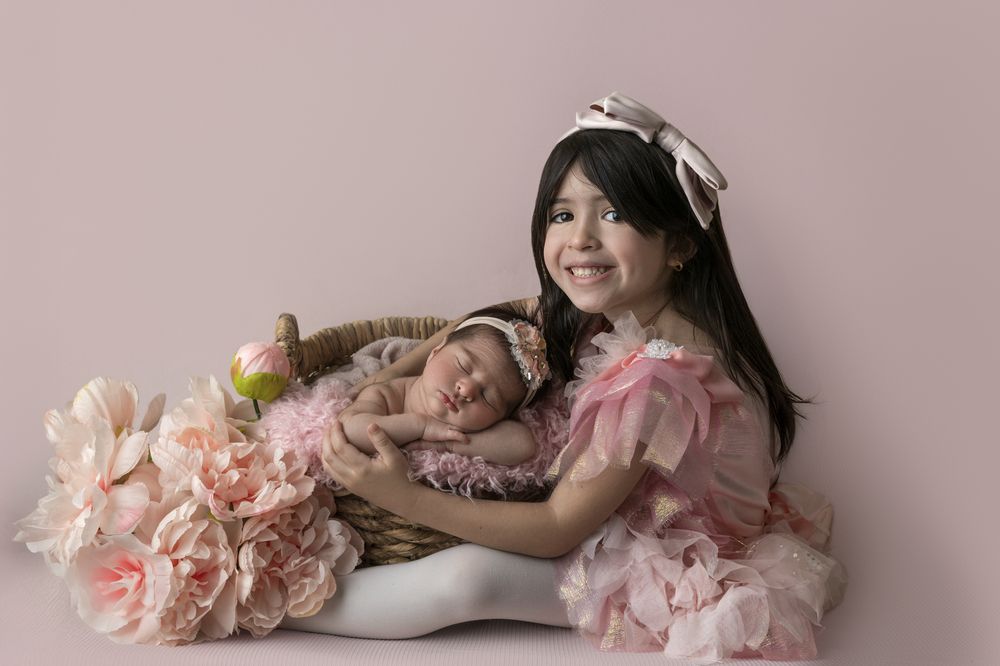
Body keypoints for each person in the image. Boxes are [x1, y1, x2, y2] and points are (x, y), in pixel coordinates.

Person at [281, 92, 846, 661]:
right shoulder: (607, 304)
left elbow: (557, 527)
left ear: (678, 245)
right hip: (625, 508)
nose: (580, 238)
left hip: (673, 552)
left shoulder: (659, 378)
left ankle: (273, 602)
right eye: (562, 214)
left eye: (613, 214)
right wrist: (385, 378)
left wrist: (398, 495)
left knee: (469, 579)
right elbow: (478, 322)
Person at [337, 306, 550, 466]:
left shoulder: (465, 431)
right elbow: (350, 430)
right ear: (435, 350)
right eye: (464, 367)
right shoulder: (386, 394)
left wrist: (447, 444)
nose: (466, 390)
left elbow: (523, 445)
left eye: (487, 397)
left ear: (501, 417)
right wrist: (421, 426)